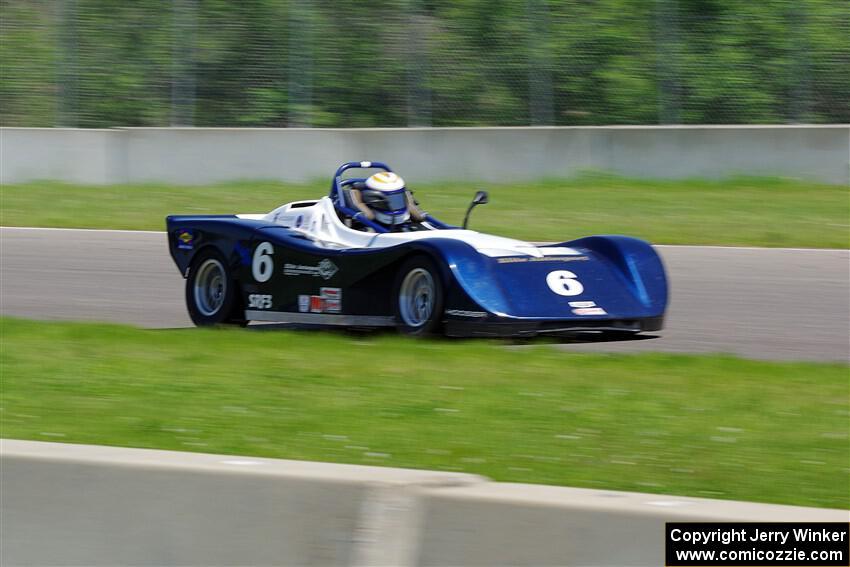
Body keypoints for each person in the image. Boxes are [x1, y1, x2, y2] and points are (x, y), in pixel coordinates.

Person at [348, 172, 426, 230]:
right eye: (391, 200)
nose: (395, 204)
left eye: (398, 199)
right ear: (374, 200)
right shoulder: (367, 230)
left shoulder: (409, 218)